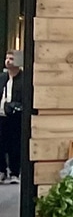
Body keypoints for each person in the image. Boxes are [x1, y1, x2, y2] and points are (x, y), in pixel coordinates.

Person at [0, 51, 27, 185]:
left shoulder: (23, 79)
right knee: (1, 144)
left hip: (15, 117)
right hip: (1, 116)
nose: (8, 61)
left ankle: (15, 172)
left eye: (11, 58)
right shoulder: (2, 77)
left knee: (14, 145)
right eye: (7, 58)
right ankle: (2, 171)